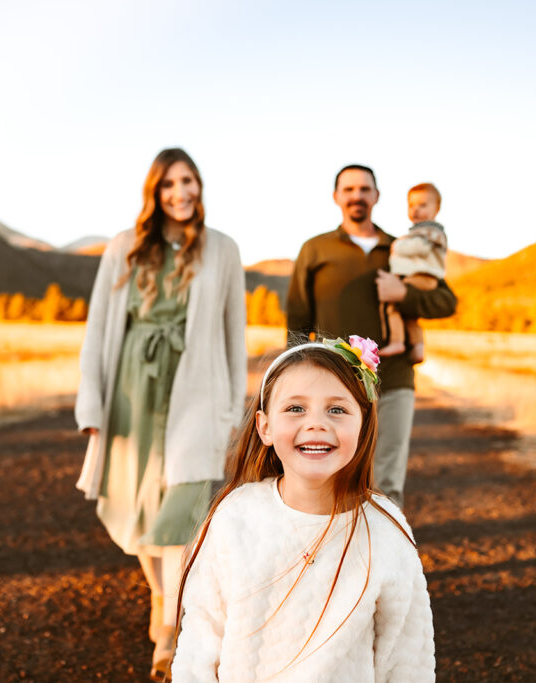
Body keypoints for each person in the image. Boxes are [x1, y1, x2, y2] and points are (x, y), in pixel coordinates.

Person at [74, 147, 247, 680]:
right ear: (155, 191)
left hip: (195, 390)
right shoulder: (124, 247)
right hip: (132, 392)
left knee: (181, 513)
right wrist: (94, 402)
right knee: (137, 512)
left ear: (200, 187)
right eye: (170, 183)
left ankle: (170, 632)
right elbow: (100, 324)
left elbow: (233, 334)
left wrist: (231, 409)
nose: (181, 192)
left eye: (189, 181)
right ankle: (158, 593)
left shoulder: (222, 249)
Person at [172, 337, 435, 681]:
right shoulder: (236, 517)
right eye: (296, 408)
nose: (316, 423)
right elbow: (200, 645)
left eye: (337, 410)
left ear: (364, 424)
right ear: (265, 427)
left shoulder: (385, 531)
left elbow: (407, 658)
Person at [287, 164, 457, 507]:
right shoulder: (315, 250)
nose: (356, 196)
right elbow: (296, 325)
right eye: (348, 189)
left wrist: (403, 294)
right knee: (332, 481)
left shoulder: (402, 249)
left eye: (364, 189)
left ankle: (384, 560)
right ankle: (335, 558)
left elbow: (446, 301)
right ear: (336, 197)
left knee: (387, 486)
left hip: (393, 382)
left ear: (376, 196)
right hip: (331, 387)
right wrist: (296, 386)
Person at [379, 183, 448, 362]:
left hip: (422, 276)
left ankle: (397, 341)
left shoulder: (430, 231)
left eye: (423, 205)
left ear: (436, 209)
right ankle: (418, 347)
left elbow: (420, 248)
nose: (416, 210)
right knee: (409, 314)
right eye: (412, 205)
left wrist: (398, 246)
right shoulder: (422, 231)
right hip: (422, 276)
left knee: (391, 305)